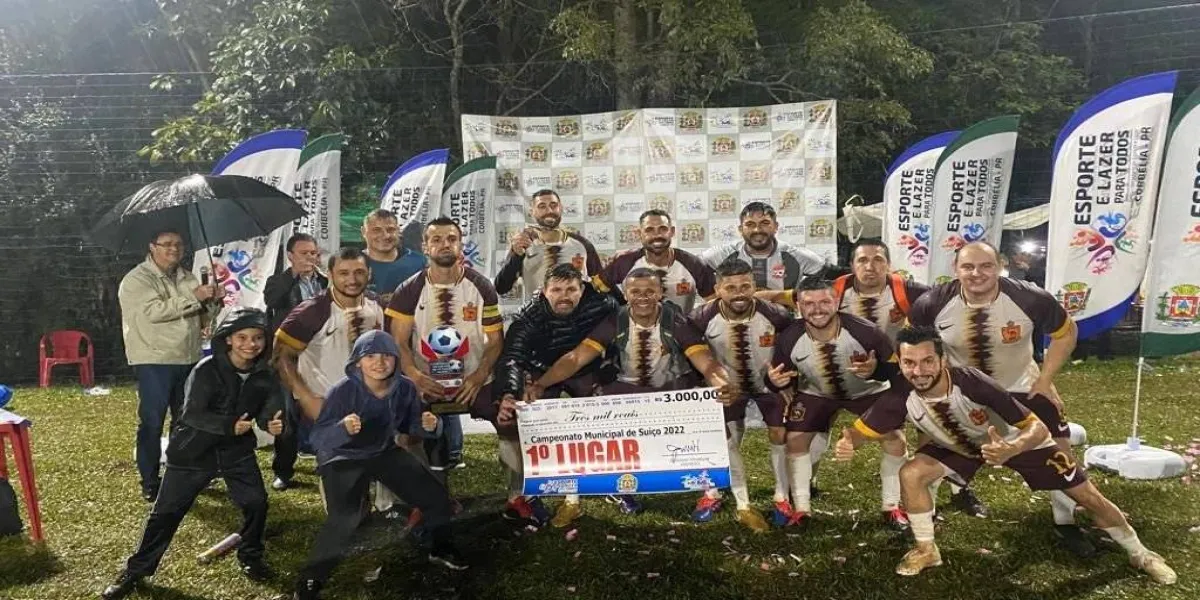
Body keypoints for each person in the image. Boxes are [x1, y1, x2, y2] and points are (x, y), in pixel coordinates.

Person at [836, 326, 1176, 584]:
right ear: (901, 363)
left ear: (942, 360)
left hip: (1018, 441)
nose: (919, 370)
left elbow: (1036, 427)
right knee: (911, 473)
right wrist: (848, 442)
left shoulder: (972, 382)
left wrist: (1012, 447)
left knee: (1086, 496)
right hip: (960, 447)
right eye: (909, 363)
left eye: (927, 361)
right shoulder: (900, 394)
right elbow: (863, 430)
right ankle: (927, 549)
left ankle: (1141, 554)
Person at [908, 241, 1092, 555]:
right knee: (932, 446)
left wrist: (1046, 380)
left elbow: (1066, 332)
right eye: (968, 267)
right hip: (960, 393)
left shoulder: (1030, 298)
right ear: (955, 269)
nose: (976, 273)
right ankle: (930, 515)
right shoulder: (931, 303)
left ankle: (1066, 522)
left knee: (1059, 452)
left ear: (1000, 266)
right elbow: (912, 344)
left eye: (986, 266)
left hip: (1022, 387)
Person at [101, 308, 284, 600]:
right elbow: (191, 414)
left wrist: (271, 423)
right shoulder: (206, 370)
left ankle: (251, 555)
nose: (251, 344)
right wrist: (228, 425)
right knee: (165, 514)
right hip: (193, 450)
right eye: (242, 337)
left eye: (257, 338)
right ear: (228, 339)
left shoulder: (265, 374)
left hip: (235, 451)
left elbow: (267, 411)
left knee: (256, 503)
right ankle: (136, 571)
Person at [525, 267, 730, 516]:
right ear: (625, 294)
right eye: (635, 292)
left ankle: (711, 493)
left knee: (706, 423)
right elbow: (576, 358)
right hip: (628, 390)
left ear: (661, 293)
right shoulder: (616, 320)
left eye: (649, 291)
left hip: (671, 389)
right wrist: (541, 384)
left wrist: (721, 383)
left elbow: (706, 361)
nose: (642, 297)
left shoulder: (676, 321)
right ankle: (622, 489)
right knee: (602, 424)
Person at [293, 330, 466, 600]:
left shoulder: (405, 387)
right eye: (370, 356)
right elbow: (318, 438)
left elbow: (412, 425)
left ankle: (440, 548)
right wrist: (342, 429)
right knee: (345, 518)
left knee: (435, 497)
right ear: (357, 361)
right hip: (342, 456)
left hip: (382, 451)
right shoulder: (342, 391)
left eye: (387, 355)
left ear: (396, 359)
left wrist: (430, 426)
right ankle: (311, 578)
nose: (379, 362)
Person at [765, 277, 909, 529]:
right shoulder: (790, 337)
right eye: (809, 303)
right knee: (795, 439)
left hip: (868, 391)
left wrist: (875, 370)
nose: (817, 309)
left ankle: (891, 506)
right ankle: (802, 509)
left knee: (895, 439)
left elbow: (896, 373)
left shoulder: (865, 331)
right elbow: (778, 376)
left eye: (824, 301)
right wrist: (775, 382)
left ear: (836, 302)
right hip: (818, 393)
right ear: (798, 305)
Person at [386, 218, 507, 508]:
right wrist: (415, 376)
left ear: (460, 244)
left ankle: (519, 496)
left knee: (510, 421)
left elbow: (495, 340)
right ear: (425, 246)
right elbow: (398, 342)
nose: (445, 245)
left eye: (451, 239)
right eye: (437, 239)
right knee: (407, 433)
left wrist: (479, 375)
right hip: (426, 382)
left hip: (473, 381)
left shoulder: (481, 286)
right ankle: (426, 500)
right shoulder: (408, 290)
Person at [494, 263, 618, 527]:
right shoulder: (528, 317)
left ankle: (615, 485)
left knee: (609, 418)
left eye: (571, 289)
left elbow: (621, 335)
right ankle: (520, 493)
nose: (564, 296)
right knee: (513, 423)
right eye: (557, 290)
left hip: (587, 368)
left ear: (582, 289)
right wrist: (510, 392)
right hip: (541, 372)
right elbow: (512, 358)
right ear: (544, 291)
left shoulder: (603, 303)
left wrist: (610, 368)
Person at [272, 247, 388, 511]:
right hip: (329, 405)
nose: (352, 279)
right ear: (330, 274)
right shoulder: (312, 311)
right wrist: (306, 397)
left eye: (359, 272)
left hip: (370, 402)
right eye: (343, 273)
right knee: (341, 480)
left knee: (370, 465)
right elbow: (280, 356)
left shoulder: (376, 305)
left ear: (369, 274)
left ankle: (375, 513)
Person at [688, 259, 793, 531]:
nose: (739, 293)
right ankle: (721, 495)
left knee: (779, 433)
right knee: (725, 440)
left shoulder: (776, 314)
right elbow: (689, 353)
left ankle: (782, 497)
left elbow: (794, 343)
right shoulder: (700, 318)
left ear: (754, 286)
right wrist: (703, 385)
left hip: (768, 386)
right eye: (731, 287)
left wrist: (788, 381)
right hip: (727, 388)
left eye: (745, 286)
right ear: (717, 290)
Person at [118, 229, 220, 502]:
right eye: (167, 244)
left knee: (186, 420)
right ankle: (150, 481)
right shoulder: (137, 280)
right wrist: (195, 297)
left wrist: (212, 302)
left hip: (188, 357)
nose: (174, 249)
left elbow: (201, 318)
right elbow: (153, 312)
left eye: (179, 244)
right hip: (155, 359)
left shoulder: (188, 277)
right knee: (152, 421)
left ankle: (182, 473)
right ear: (152, 247)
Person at [264, 232, 328, 490]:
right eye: (304, 253)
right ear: (290, 256)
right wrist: (293, 276)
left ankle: (326, 461)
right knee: (287, 415)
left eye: (313, 253)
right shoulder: (278, 281)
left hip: (320, 356)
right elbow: (272, 300)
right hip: (289, 357)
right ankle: (283, 470)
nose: (310, 258)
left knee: (324, 410)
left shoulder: (326, 281)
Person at [592, 209, 715, 314]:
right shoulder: (624, 263)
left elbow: (714, 303)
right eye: (649, 230)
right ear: (639, 234)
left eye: (662, 229)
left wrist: (695, 323)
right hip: (635, 330)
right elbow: (595, 293)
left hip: (681, 330)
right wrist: (618, 312)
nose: (657, 235)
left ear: (672, 231)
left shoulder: (693, 264)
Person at [493, 189, 603, 301]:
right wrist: (517, 255)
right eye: (542, 206)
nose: (549, 210)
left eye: (553, 205)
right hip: (537, 311)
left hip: (579, 311)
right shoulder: (523, 244)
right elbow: (501, 287)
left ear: (561, 208)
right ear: (532, 212)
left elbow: (602, 284)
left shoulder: (581, 244)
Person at [701, 201, 827, 290]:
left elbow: (834, 279)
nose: (757, 230)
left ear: (776, 227)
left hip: (783, 320)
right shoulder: (724, 254)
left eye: (765, 223)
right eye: (750, 224)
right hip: (735, 320)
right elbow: (693, 269)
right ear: (740, 229)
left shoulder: (796, 255)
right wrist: (711, 297)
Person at [361, 209, 426, 306]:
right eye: (377, 230)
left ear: (398, 230)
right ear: (363, 232)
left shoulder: (419, 262)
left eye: (390, 230)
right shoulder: (351, 264)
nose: (385, 235)